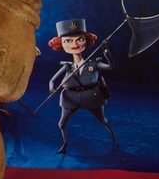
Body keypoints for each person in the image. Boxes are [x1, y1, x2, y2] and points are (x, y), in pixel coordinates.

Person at [47, 18, 116, 154]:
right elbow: (52, 80)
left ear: (86, 41)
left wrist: (106, 52)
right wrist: (51, 88)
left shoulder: (93, 63)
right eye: (68, 41)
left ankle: (113, 135)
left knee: (103, 121)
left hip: (92, 96)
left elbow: (111, 66)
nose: (74, 44)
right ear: (61, 44)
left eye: (80, 39)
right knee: (61, 124)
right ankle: (65, 144)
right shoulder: (67, 66)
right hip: (70, 98)